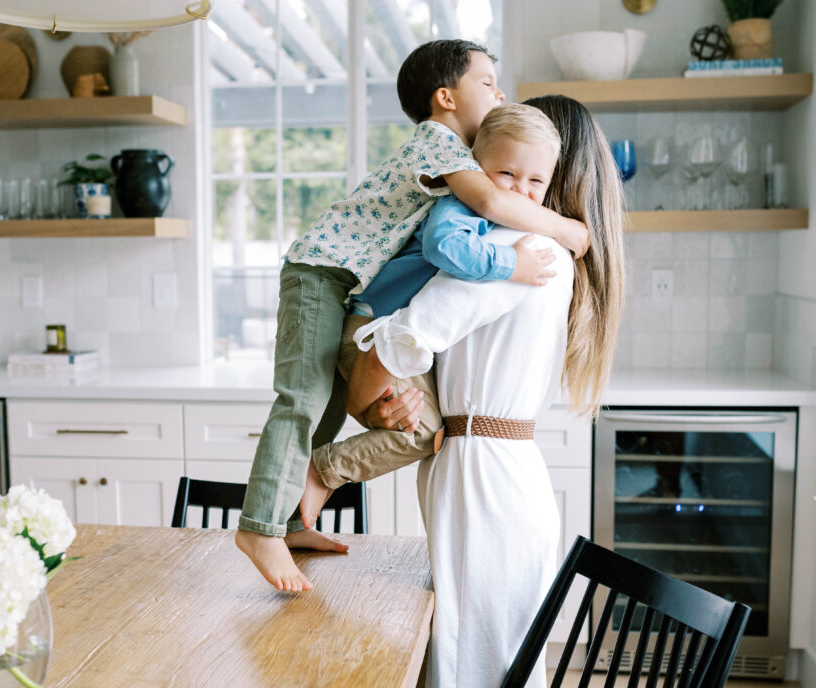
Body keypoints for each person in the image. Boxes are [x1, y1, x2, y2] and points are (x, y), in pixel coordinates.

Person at [234, 39, 590, 593]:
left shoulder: (460, 162)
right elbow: (495, 209)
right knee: (302, 401)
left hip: (346, 285)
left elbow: (499, 204)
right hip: (319, 273)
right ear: (446, 98)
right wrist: (560, 234)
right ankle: (258, 528)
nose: (499, 93)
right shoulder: (440, 144)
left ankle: (286, 521)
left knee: (323, 410)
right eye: (488, 82)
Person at [342, 94, 626, 687]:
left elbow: (408, 333)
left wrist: (359, 398)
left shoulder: (521, 251)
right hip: (496, 469)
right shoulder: (545, 249)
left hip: (485, 476)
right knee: (482, 657)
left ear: (553, 174)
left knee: (464, 663)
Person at [299, 102, 563, 526]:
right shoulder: (460, 206)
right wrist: (512, 265)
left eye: (536, 181)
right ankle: (322, 470)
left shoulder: (494, 221)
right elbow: (443, 247)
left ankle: (314, 482)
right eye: (506, 175)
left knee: (411, 425)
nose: (519, 192)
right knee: (424, 432)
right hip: (367, 327)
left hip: (380, 332)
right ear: (477, 168)